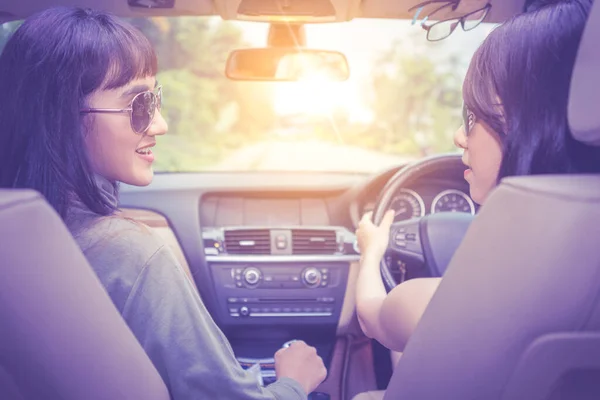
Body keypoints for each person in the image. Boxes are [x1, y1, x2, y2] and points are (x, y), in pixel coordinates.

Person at [0, 7, 326, 400]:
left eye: (156, 98)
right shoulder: (128, 252)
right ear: (61, 118)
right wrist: (294, 381)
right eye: (138, 105)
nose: (160, 124)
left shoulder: (18, 244)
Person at [355, 0, 600, 353]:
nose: (459, 135)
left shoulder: (448, 309)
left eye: (473, 116)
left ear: (533, 123)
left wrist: (372, 251)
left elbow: (369, 315)